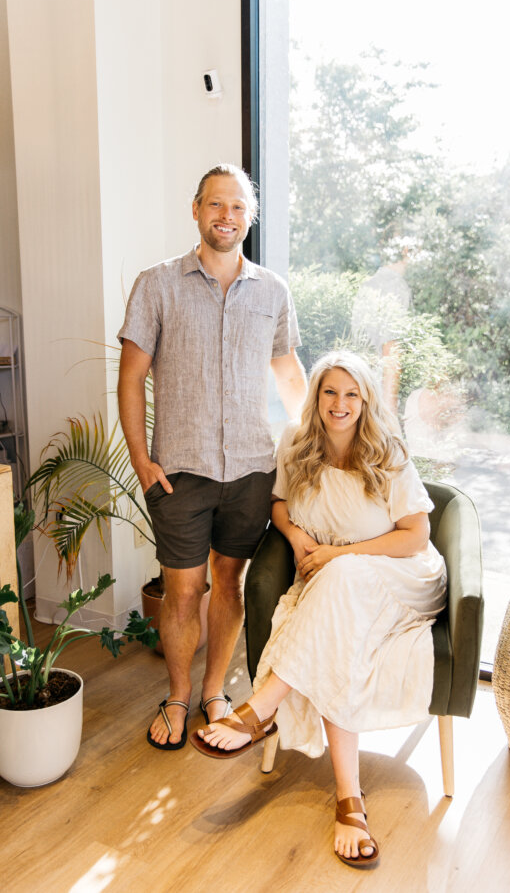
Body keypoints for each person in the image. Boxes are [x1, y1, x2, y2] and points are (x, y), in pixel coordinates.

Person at [191, 351, 447, 868]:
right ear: (316, 396)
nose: (340, 404)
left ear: (366, 400)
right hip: (337, 583)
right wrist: (295, 534)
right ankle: (349, 799)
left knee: (341, 577)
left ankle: (261, 708)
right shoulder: (296, 442)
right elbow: (278, 504)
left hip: (404, 576)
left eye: (352, 394)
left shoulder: (386, 450)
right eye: (331, 391)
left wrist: (339, 555)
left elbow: (416, 536)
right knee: (337, 620)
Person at [117, 164, 307, 750]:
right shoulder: (157, 284)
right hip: (181, 473)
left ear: (250, 218)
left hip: (252, 470)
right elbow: (130, 381)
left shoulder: (272, 291)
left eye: (238, 208)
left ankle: (214, 691)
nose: (227, 216)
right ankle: (177, 695)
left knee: (228, 583)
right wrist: (143, 461)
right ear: (196, 210)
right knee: (182, 592)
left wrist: (303, 449)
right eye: (216, 205)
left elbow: (289, 377)